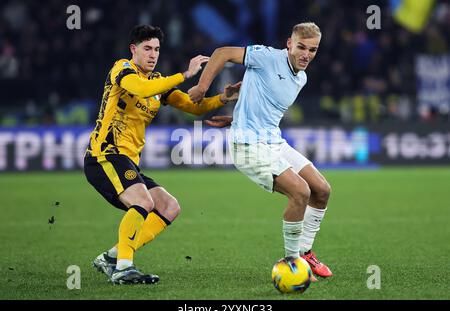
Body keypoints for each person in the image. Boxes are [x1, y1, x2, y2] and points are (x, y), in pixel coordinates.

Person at [84, 25, 241, 285]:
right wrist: (186, 74)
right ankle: (124, 267)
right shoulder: (122, 69)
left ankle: (111, 257)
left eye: (156, 49)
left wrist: (223, 99)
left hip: (127, 160)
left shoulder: (158, 83)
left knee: (169, 207)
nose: (153, 54)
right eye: (147, 48)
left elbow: (193, 106)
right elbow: (141, 89)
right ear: (134, 50)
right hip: (105, 155)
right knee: (143, 203)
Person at [189, 22, 332, 279]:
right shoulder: (267, 56)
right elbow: (222, 53)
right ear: (289, 44)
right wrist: (201, 88)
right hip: (247, 145)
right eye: (301, 47)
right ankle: (292, 264)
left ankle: (306, 252)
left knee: (321, 190)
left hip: (273, 141)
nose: (306, 54)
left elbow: (265, 99)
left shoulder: (301, 78)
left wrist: (234, 116)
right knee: (301, 191)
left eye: (312, 50)